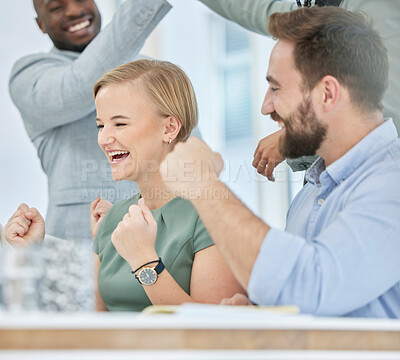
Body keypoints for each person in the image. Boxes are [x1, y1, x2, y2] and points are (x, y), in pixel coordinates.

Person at [159, 7, 400, 318]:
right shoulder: (312, 193)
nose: (265, 106)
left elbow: (310, 284)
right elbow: (315, 305)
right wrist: (264, 314)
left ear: (327, 93)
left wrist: (204, 184)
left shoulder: (391, 182)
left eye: (276, 88)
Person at [5, 59, 244, 312]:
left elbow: (215, 333)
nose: (104, 138)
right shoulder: (114, 218)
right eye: (100, 125)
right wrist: (34, 254)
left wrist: (144, 261)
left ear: (169, 128)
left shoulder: (215, 215)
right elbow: (90, 321)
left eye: (120, 124)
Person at [9, 0, 172, 240]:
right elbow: (80, 84)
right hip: (82, 245)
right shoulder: (30, 74)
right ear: (40, 24)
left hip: (162, 235)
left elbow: (186, 144)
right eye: (56, 7)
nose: (75, 11)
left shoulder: (149, 71)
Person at [198, 0, 400, 179]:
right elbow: (260, 9)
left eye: (276, 88)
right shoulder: (325, 8)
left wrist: (292, 139)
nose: (266, 108)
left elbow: (386, 115)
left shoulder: (376, 7)